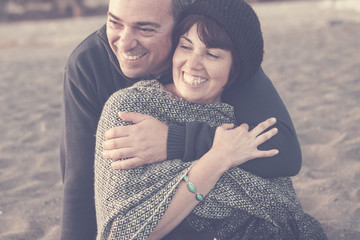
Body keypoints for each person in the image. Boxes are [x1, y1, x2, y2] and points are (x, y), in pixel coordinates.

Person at [60, 0, 302, 239]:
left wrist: (174, 140)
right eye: (114, 23)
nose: (125, 43)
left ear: (180, 25)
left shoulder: (221, 46)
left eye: (145, 29)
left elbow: (283, 152)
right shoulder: (89, 64)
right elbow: (80, 182)